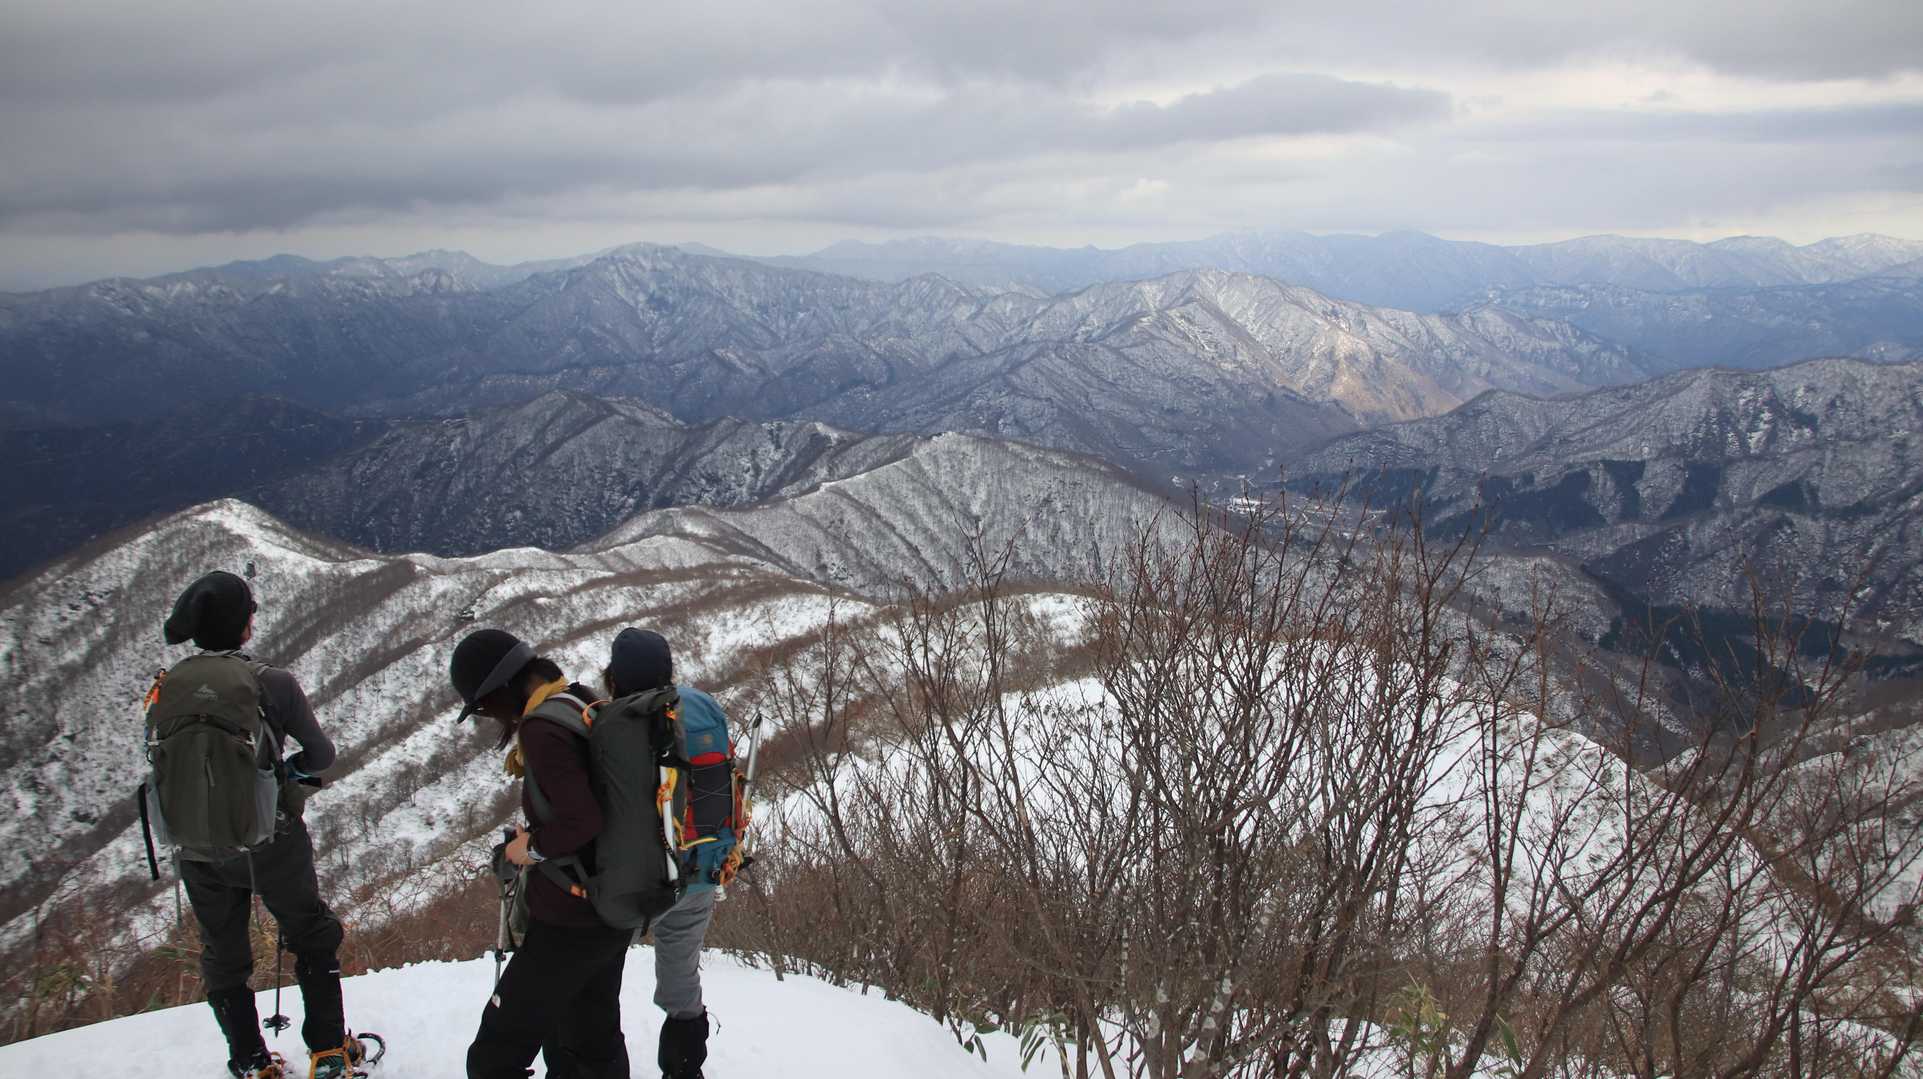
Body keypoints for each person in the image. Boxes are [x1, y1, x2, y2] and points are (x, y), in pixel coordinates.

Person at [158, 570, 367, 1079]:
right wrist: (284, 776)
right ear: (244, 624)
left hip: (197, 846)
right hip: (270, 839)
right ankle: (328, 1052)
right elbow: (321, 756)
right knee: (311, 933)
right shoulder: (271, 683)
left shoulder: (168, 688)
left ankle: (251, 1061)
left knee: (223, 953)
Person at [450, 629, 632, 1079]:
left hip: (570, 919)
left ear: (501, 689)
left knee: (494, 1054)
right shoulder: (579, 700)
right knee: (591, 1041)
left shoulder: (542, 729)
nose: (489, 716)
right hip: (611, 907)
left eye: (483, 706)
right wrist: (537, 834)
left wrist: (527, 848)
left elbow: (582, 820)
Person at [602, 628, 720, 1079]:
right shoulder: (702, 706)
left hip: (636, 881)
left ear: (615, 676)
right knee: (681, 979)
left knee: (596, 978)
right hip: (701, 868)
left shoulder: (615, 719)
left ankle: (598, 1062)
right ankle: (685, 1068)